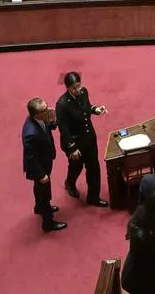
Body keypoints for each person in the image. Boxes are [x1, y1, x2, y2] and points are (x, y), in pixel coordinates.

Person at [55, 72, 109, 207]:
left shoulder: (84, 92)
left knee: (94, 168)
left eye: (79, 86)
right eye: (74, 88)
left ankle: (93, 197)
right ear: (67, 88)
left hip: (89, 138)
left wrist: (95, 109)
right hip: (75, 142)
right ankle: (70, 183)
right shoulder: (62, 104)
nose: (78, 90)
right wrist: (72, 148)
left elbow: (86, 109)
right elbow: (63, 128)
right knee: (76, 167)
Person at [22, 98, 67, 232]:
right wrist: (41, 174)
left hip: (45, 160)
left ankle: (39, 207)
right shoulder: (31, 133)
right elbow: (30, 158)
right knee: (45, 193)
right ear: (36, 114)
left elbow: (51, 127)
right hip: (39, 167)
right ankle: (48, 223)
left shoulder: (40, 119)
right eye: (45, 110)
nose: (49, 110)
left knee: (39, 189)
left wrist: (53, 120)